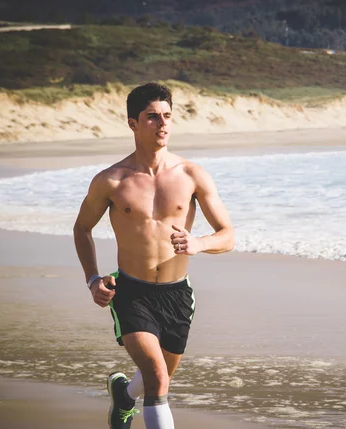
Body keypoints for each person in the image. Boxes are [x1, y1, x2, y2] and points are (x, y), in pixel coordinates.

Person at [73, 83, 235, 429]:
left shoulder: (192, 175)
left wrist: (198, 243)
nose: (162, 124)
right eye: (152, 117)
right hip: (131, 292)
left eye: (167, 116)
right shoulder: (112, 181)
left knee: (153, 381)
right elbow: (82, 228)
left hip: (177, 295)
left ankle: (123, 395)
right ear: (133, 123)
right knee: (159, 381)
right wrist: (92, 279)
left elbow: (228, 235)